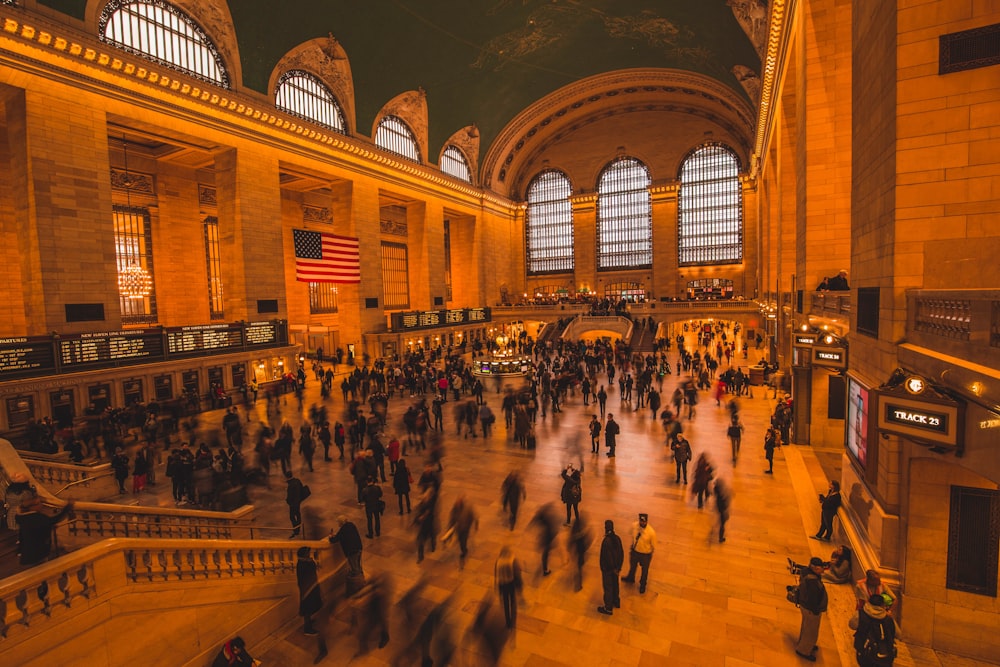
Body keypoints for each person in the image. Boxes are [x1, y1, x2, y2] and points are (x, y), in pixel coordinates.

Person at [15, 495, 74, 566]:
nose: (41, 505)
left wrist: (47, 526)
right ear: (32, 507)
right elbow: (55, 519)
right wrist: (68, 507)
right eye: (39, 503)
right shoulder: (37, 518)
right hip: (37, 553)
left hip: (27, 553)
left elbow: (35, 529)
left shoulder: (24, 517)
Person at [794, 557, 828, 661]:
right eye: (821, 568)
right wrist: (815, 610)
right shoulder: (812, 581)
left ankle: (805, 644)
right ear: (816, 569)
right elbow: (813, 598)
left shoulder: (806, 571)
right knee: (811, 630)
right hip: (810, 608)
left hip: (805, 605)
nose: (823, 570)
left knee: (806, 626)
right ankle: (803, 650)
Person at [854, 594, 896, 666]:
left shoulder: (861, 614)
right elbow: (898, 634)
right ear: (882, 605)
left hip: (864, 653)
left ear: (868, 603)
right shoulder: (888, 619)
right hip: (884, 655)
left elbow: (852, 625)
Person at [621, 513, 656, 594]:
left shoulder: (651, 532)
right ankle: (630, 578)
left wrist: (649, 554)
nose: (642, 523)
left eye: (644, 521)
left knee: (644, 571)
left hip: (645, 554)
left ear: (646, 521)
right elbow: (631, 534)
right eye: (641, 521)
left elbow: (653, 545)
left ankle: (642, 585)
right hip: (635, 552)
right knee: (632, 566)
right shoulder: (634, 526)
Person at [597, 519, 624, 615]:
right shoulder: (617, 538)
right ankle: (616, 601)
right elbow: (621, 554)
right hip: (616, 569)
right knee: (615, 585)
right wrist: (618, 568)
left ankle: (608, 608)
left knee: (608, 587)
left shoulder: (606, 541)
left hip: (608, 570)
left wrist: (610, 568)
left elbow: (607, 557)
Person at [494, 545, 522, 629]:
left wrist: (497, 587)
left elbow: (496, 574)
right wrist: (519, 585)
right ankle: (513, 620)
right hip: (511, 583)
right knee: (513, 601)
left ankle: (508, 622)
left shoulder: (498, 561)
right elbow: (517, 573)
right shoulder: (512, 560)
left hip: (502, 584)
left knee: (506, 603)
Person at [285, 470, 305, 538]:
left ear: (287, 477)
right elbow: (302, 488)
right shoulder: (297, 481)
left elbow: (289, 496)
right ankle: (298, 527)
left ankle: (296, 529)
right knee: (298, 514)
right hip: (298, 501)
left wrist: (287, 501)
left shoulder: (291, 485)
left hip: (293, 504)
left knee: (292, 516)